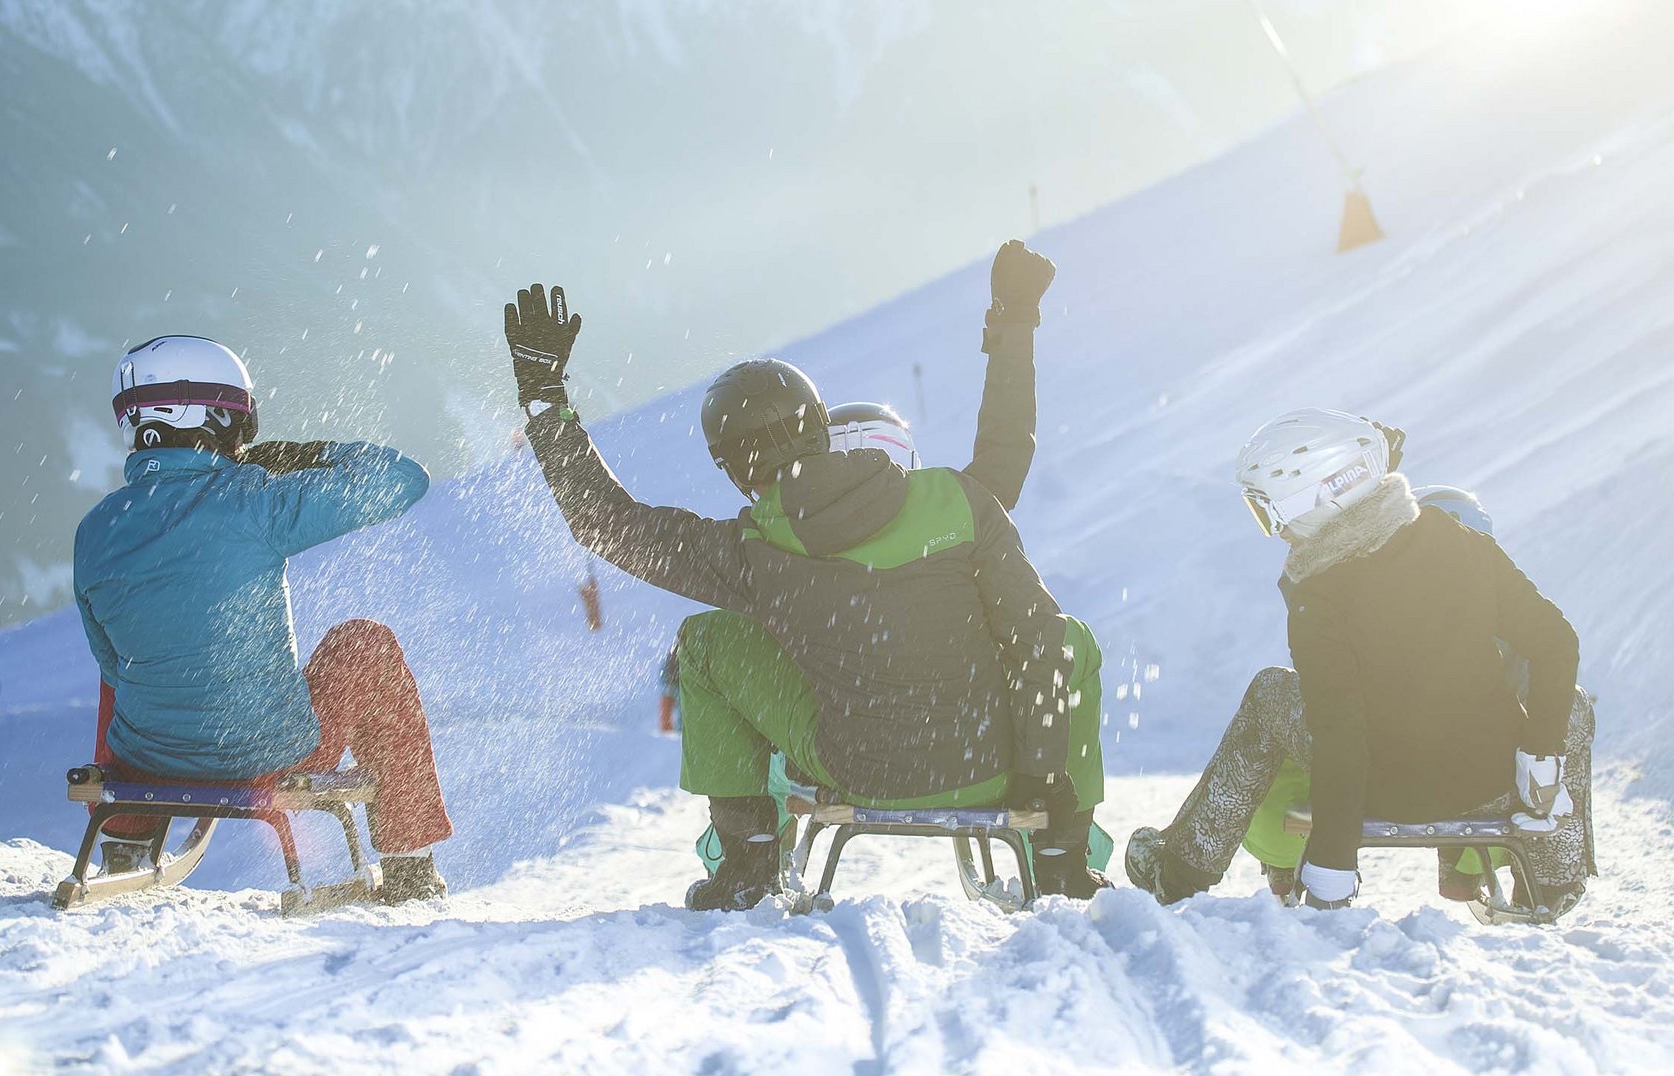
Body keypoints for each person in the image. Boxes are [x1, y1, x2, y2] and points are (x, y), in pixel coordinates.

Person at [509, 261, 1108, 910]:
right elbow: (1036, 629)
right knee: (1066, 637)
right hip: (996, 767)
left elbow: (608, 525)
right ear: (821, 429)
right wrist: (1040, 778)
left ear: (735, 469)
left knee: (707, 643)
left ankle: (745, 863)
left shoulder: (758, 550)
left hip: (864, 774)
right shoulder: (957, 501)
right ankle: (1060, 855)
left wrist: (545, 398)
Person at [1124, 408, 1594, 915]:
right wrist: (1539, 758)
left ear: (1317, 499)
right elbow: (1556, 643)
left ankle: (1179, 870)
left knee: (1270, 691)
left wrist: (1331, 867)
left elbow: (1340, 732)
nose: (1275, 529)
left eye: (1269, 511)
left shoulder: (1319, 594)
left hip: (1386, 792)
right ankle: (1552, 880)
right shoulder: (1464, 544)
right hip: (1491, 783)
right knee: (1566, 702)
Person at [73, 335, 452, 903]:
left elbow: (108, 658)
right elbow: (403, 479)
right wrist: (304, 456)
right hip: (266, 755)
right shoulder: (256, 500)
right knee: (366, 645)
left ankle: (126, 846)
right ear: (214, 420)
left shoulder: (96, 530)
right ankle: (409, 864)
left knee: (129, 660)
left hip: (147, 757)